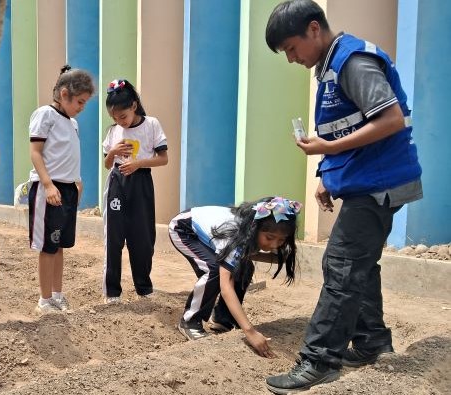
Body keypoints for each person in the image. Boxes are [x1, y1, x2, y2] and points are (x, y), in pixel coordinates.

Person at [264, 1, 423, 393]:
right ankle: (371, 342)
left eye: (291, 48)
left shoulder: (353, 62)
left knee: (341, 265)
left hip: (380, 182)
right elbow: (346, 129)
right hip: (367, 179)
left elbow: (390, 119)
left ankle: (319, 360)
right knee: (360, 264)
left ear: (314, 29)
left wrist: (330, 153)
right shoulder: (332, 65)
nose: (291, 59)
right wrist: (327, 176)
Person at [168, 197, 299, 357]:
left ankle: (224, 319)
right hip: (184, 229)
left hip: (211, 234)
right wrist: (249, 331)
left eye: (281, 240)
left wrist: (277, 257)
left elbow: (242, 256)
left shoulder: (249, 231)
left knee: (244, 267)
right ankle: (190, 321)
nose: (274, 245)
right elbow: (226, 286)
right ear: (256, 228)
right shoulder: (235, 234)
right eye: (270, 238)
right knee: (214, 271)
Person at [28, 65, 95, 313]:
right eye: (79, 101)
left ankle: (57, 294)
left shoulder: (72, 123)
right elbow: (35, 153)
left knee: (59, 244)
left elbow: (67, 154)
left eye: (85, 102)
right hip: (50, 189)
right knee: (48, 245)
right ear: (64, 93)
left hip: (67, 190)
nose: (82, 107)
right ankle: (44, 300)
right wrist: (47, 184)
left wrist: (77, 182)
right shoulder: (44, 114)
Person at [101, 78, 168, 304]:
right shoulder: (113, 131)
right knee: (114, 237)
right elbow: (107, 164)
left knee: (143, 237)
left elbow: (163, 159)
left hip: (141, 183)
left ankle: (144, 287)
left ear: (134, 106)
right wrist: (113, 152)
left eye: (123, 116)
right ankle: (112, 291)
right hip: (117, 183)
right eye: (115, 118)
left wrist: (138, 164)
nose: (120, 122)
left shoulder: (151, 125)